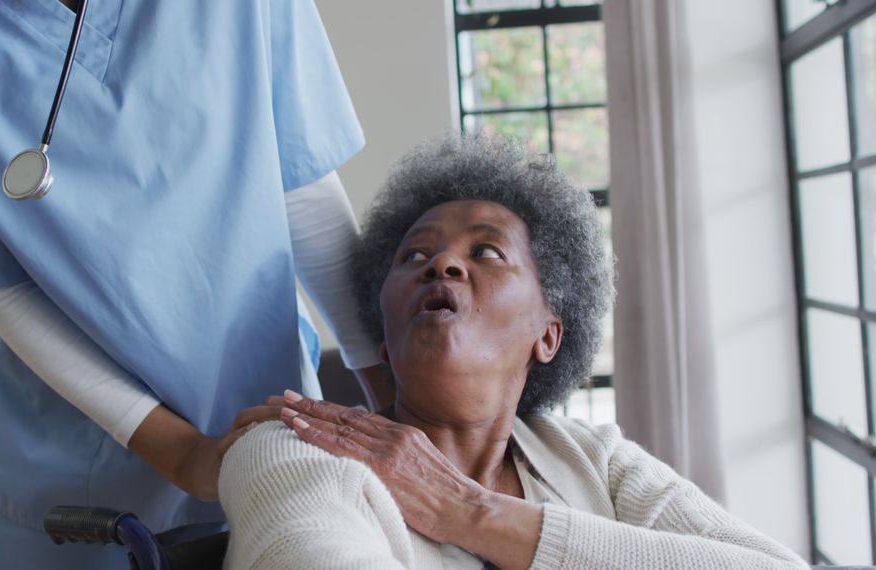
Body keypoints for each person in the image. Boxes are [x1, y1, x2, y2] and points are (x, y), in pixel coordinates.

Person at [0, 0, 391, 567]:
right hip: (63, 454)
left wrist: (394, 402)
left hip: (267, 417)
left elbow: (301, 184)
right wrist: (183, 455)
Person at [218, 133, 809, 569]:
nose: (443, 264)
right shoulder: (299, 450)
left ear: (549, 336)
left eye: (487, 253)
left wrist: (470, 513)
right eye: (415, 257)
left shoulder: (592, 458)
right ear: (384, 340)